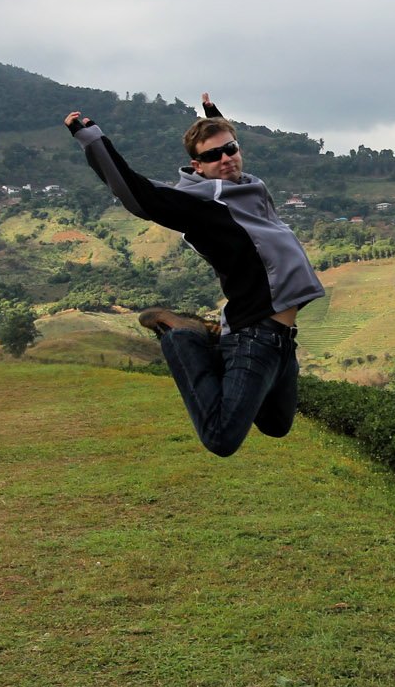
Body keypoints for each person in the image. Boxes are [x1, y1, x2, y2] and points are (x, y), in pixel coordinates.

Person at [63, 95, 324, 457]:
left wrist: (214, 119)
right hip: (255, 333)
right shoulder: (204, 206)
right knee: (220, 438)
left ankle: (215, 342)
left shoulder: (248, 189)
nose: (225, 158)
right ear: (196, 166)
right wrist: (91, 139)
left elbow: (228, 151)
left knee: (276, 425)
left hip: (282, 339)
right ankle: (183, 336)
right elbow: (139, 196)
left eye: (229, 149)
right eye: (212, 156)